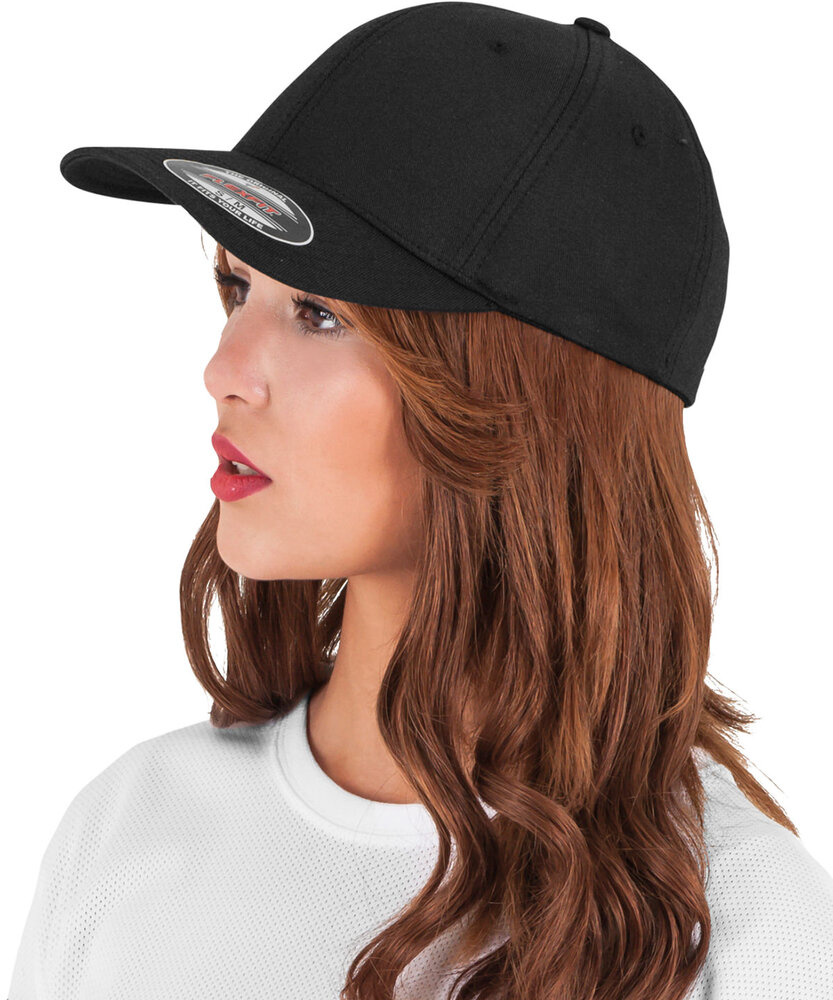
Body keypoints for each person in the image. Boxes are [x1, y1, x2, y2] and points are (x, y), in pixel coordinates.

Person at [8, 4, 833, 999]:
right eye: (235, 288)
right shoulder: (129, 830)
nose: (222, 371)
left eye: (318, 312)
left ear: (519, 399)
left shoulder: (741, 928)